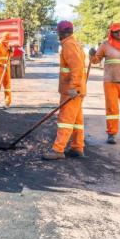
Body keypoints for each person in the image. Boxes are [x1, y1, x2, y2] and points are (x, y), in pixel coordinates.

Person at [43, 21, 86, 160]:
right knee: (77, 121)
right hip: (77, 90)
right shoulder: (74, 44)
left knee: (65, 120)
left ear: (60, 32)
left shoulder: (68, 45)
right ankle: (77, 147)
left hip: (71, 91)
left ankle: (58, 150)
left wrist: (74, 87)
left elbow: (76, 68)